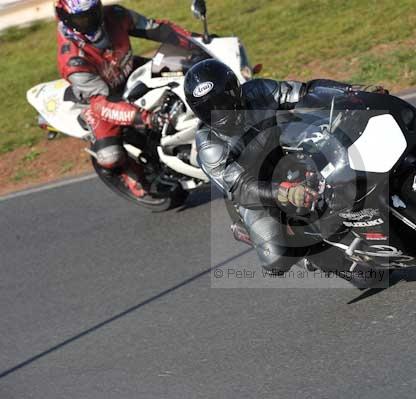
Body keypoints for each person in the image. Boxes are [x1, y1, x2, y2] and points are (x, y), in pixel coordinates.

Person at [183, 59, 387, 275]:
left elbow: (306, 92)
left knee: (344, 155)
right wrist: (285, 192)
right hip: (258, 191)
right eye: (208, 109)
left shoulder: (259, 91)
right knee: (275, 259)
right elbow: (242, 187)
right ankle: (313, 253)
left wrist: (352, 91)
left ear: (235, 90)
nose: (220, 112)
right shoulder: (209, 144)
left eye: (223, 102)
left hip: (289, 151)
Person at [55, 0, 194, 172]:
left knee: (186, 70)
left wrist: (195, 41)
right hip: (100, 99)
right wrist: (148, 118)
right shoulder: (73, 61)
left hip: (128, 70)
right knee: (110, 156)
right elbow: (102, 103)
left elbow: (154, 28)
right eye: (83, 19)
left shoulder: (115, 14)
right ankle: (135, 179)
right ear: (66, 19)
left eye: (93, 13)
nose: (91, 22)